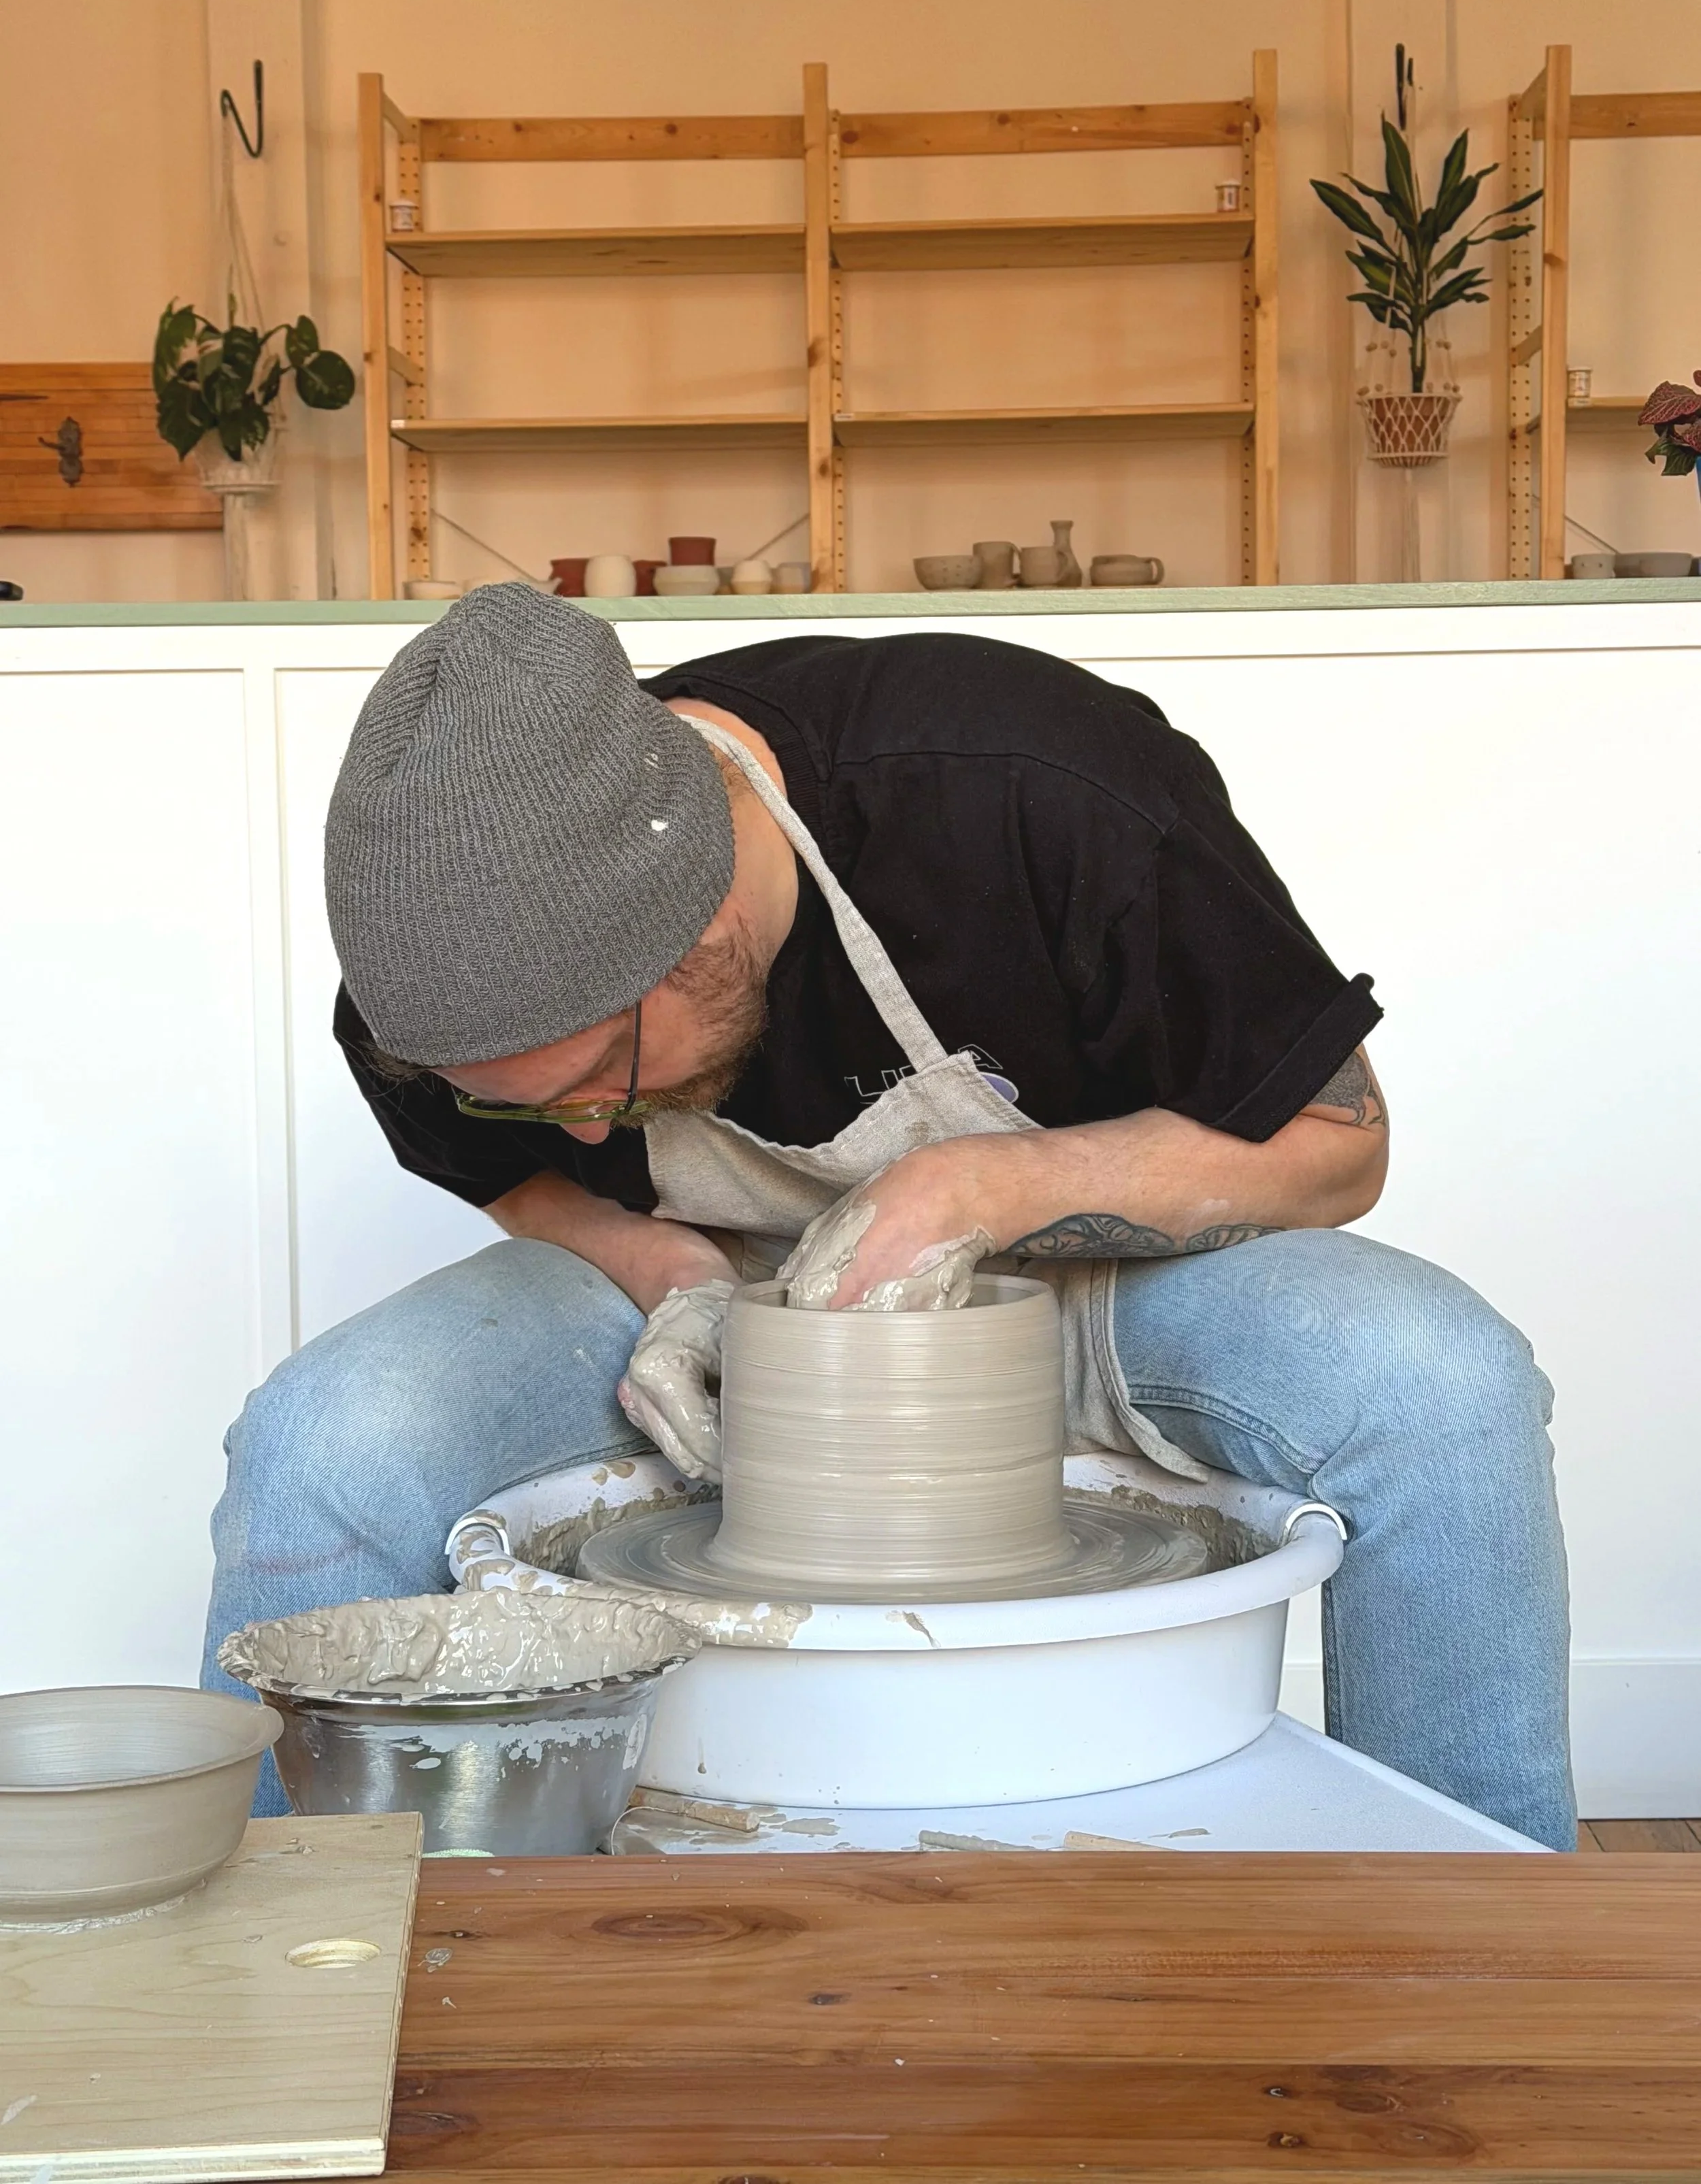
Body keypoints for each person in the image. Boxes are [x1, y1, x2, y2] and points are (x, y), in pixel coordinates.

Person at [201, 584, 1572, 1847]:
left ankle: (1486, 1960)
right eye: (513, 1098)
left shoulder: (1035, 787)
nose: (576, 1127)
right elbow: (521, 1173)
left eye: (595, 1081)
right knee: (327, 1438)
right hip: (722, 1315)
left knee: (1438, 1384)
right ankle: (284, 1990)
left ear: (701, 929)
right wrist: (658, 1266)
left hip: (1088, 1276)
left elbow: (1338, 1143)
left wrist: (992, 1185)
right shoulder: (437, 985)